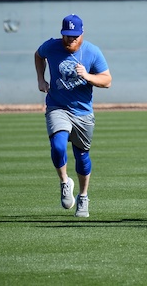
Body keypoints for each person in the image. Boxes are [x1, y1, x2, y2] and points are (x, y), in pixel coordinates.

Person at [34, 14, 112, 218]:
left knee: (82, 156)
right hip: (57, 106)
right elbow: (38, 55)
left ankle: (83, 196)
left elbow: (107, 81)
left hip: (83, 112)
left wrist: (87, 76)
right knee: (58, 146)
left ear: (82, 34)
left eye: (75, 36)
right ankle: (64, 181)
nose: (71, 39)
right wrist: (41, 79)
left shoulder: (92, 52)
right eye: (67, 35)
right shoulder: (51, 46)